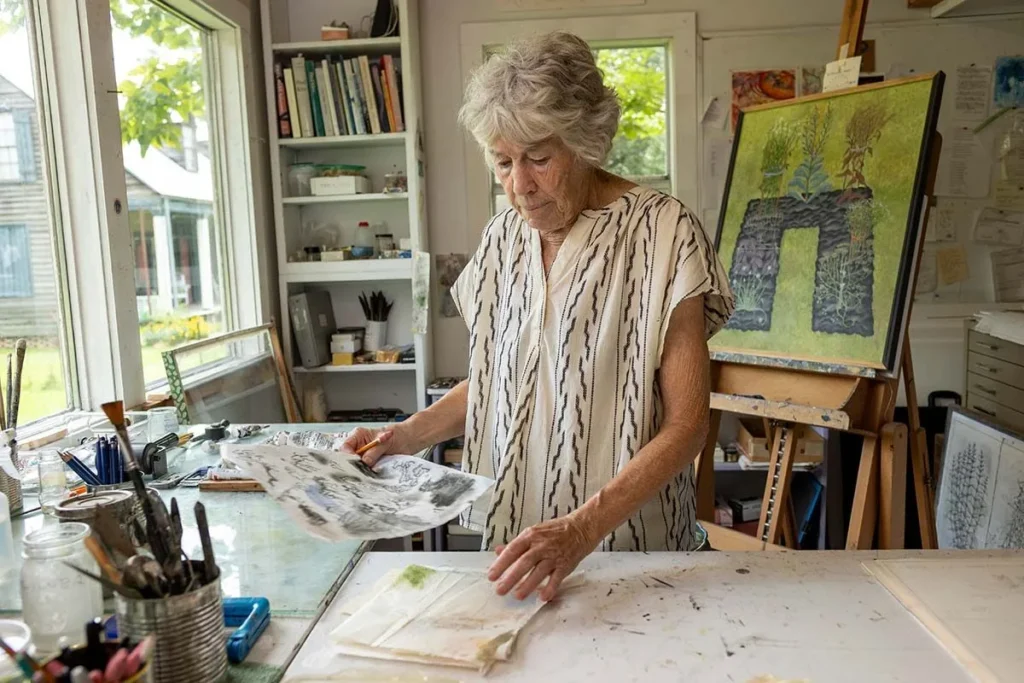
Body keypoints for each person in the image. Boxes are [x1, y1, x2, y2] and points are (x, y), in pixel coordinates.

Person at [342, 31, 733, 602]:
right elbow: (500, 384)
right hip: (517, 554)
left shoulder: (664, 233)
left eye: (540, 160)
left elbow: (688, 425)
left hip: (632, 557)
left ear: (586, 145)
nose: (519, 187)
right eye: (503, 163)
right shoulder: (502, 238)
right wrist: (402, 436)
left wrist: (580, 529)